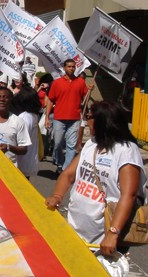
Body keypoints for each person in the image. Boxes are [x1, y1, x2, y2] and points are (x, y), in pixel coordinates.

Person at [45, 101, 146, 256]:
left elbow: (129, 195)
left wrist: (112, 234)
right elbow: (68, 174)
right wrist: (57, 196)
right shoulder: (92, 144)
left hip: (104, 236)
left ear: (103, 121)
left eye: (89, 117)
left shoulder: (126, 151)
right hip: (75, 228)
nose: (86, 121)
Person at [44, 59, 89, 172]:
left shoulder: (81, 82)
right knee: (58, 143)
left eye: (73, 67)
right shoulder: (57, 83)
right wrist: (47, 117)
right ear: (64, 68)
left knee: (71, 145)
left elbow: (85, 99)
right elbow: (50, 100)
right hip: (59, 118)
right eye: (69, 66)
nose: (71, 68)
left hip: (75, 119)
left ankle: (65, 169)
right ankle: (59, 162)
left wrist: (89, 92)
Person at [11, 87, 41, 179]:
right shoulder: (33, 115)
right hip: (29, 159)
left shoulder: (24, 117)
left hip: (22, 161)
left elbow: (21, 139)